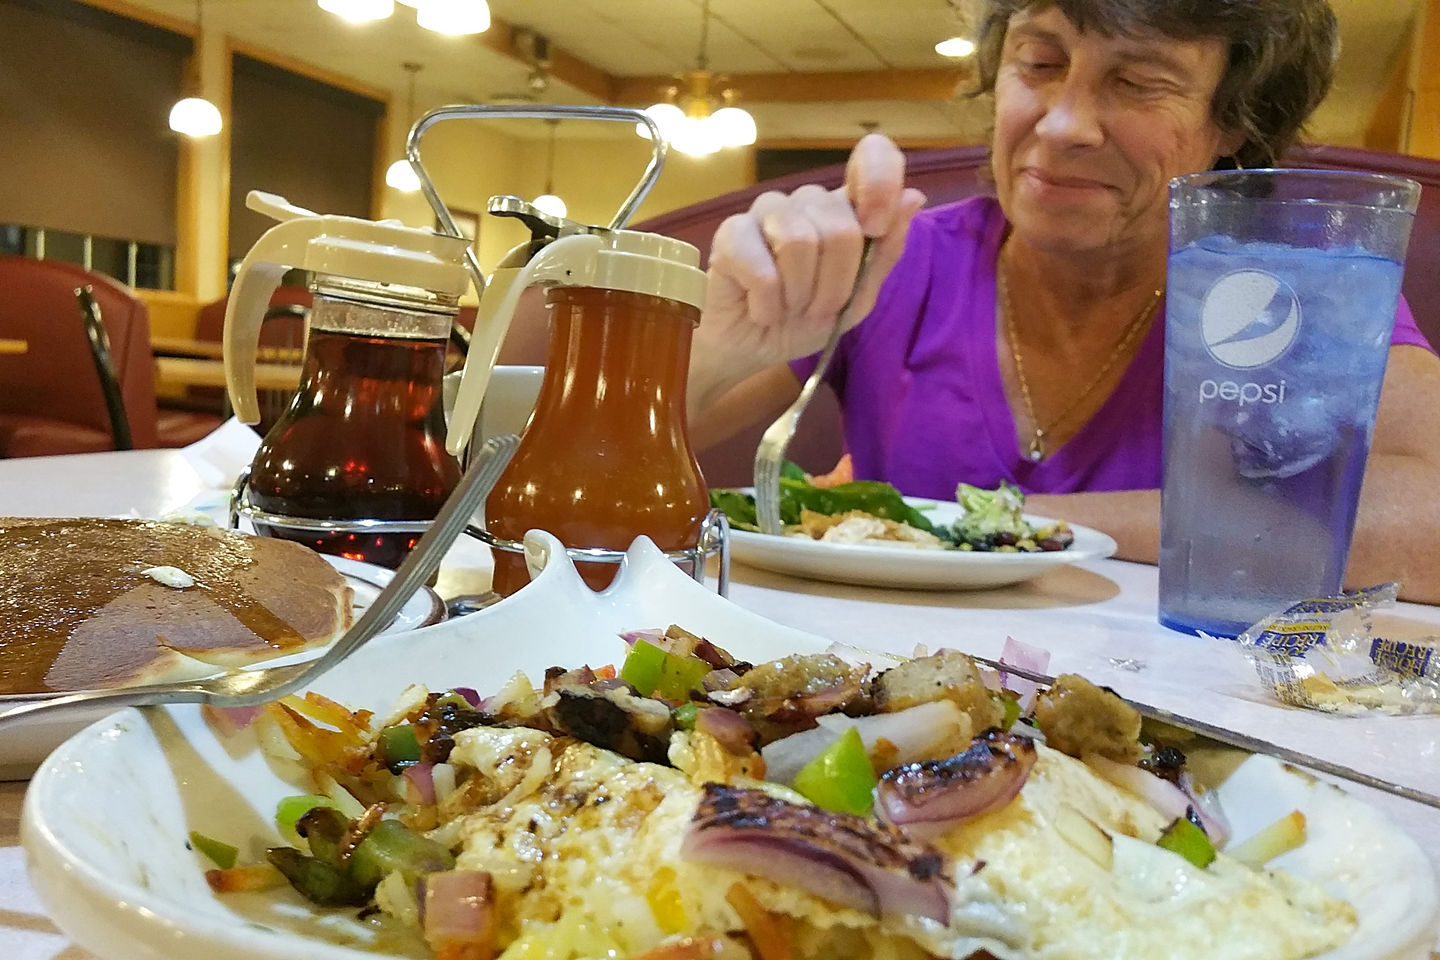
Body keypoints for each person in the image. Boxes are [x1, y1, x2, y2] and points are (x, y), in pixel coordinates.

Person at [686, 0, 1440, 604]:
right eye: (1040, 62)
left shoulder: (1283, 292)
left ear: (1234, 123)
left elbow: (1431, 520)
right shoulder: (896, 261)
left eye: (1139, 81)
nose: (1063, 123)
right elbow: (601, 446)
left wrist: (1002, 530)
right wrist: (726, 337)